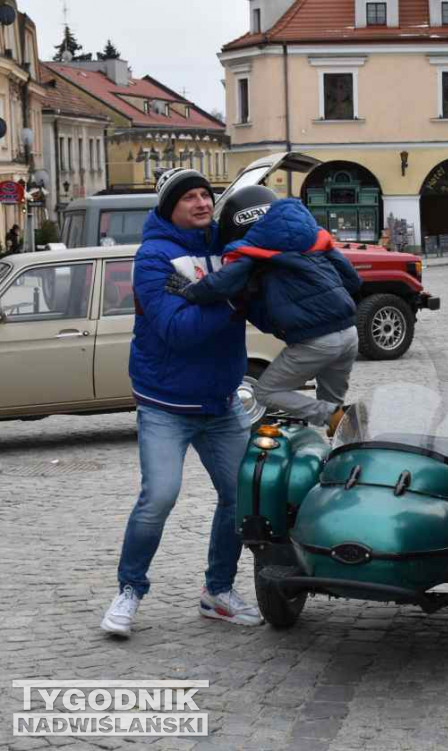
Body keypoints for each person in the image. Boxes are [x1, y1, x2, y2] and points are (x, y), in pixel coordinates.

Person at [101, 168, 262, 638]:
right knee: (160, 497)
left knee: (239, 499)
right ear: (169, 208)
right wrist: (234, 301)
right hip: (165, 403)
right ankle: (129, 591)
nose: (201, 202)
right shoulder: (153, 258)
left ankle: (218, 592)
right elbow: (176, 329)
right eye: (189, 197)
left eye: (206, 194)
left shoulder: (228, 244)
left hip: (222, 401)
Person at [165, 189, 361, 435]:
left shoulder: (255, 248)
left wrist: (190, 291)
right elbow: (353, 280)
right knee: (336, 413)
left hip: (316, 340)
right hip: (350, 334)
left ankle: (331, 417)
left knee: (267, 392)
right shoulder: (313, 236)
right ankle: (344, 451)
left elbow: (223, 283)